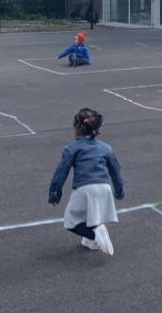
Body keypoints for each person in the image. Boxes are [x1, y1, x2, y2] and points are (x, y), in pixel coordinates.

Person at [48, 108, 124, 256]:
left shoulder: (71, 148)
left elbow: (61, 172)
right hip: (104, 187)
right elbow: (116, 170)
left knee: (71, 221)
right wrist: (119, 191)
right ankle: (91, 240)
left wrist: (54, 194)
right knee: (90, 214)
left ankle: (95, 235)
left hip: (85, 188)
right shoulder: (106, 148)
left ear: (76, 128)